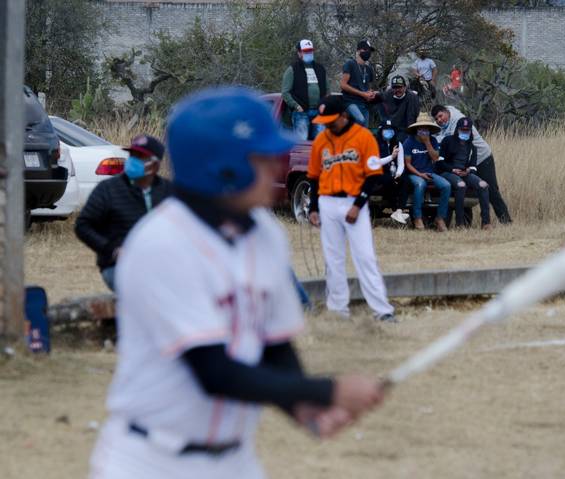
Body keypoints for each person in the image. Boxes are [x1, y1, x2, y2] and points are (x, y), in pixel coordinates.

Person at [88, 87, 385, 479]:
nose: (278, 167)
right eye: (262, 158)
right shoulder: (160, 244)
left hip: (236, 460)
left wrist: (301, 408)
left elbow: (275, 345)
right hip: (151, 460)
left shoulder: (265, 232)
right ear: (224, 169)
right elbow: (214, 372)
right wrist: (325, 392)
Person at [307, 95, 396, 322]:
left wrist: (358, 205)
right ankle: (338, 310)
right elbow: (315, 177)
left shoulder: (364, 137)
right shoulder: (321, 140)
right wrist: (314, 208)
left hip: (354, 200)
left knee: (365, 257)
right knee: (333, 258)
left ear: (344, 116)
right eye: (324, 120)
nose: (327, 124)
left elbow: (373, 177)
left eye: (331, 120)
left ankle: (382, 310)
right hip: (327, 202)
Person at [75, 135, 172, 291]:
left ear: (154, 165)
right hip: (118, 267)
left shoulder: (169, 192)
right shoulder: (108, 190)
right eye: (132, 155)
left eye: (139, 157)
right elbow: (83, 225)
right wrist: (112, 250)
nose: (132, 160)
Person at [431, 104, 512, 224]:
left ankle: (506, 221)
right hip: (462, 162)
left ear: (446, 112)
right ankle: (465, 223)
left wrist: (430, 140)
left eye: (440, 116)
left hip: (482, 158)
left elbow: (448, 140)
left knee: (491, 190)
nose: (439, 120)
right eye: (436, 119)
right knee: (464, 189)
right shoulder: (446, 122)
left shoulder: (459, 121)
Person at [438, 117, 491, 230]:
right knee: (461, 185)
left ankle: (486, 222)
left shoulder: (472, 147)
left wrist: (468, 171)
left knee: (483, 185)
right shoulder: (448, 141)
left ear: (470, 131)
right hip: (448, 172)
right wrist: (452, 169)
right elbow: (440, 163)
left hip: (464, 173)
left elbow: (473, 166)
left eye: (467, 130)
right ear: (457, 129)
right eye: (462, 129)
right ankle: (459, 223)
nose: (464, 132)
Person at [403, 113, 451, 232]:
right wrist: (420, 175)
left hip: (430, 172)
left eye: (426, 128)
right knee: (420, 185)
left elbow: (435, 158)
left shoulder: (433, 140)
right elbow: (407, 164)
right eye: (421, 128)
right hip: (414, 173)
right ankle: (417, 217)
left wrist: (427, 142)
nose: (423, 130)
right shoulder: (409, 142)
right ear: (417, 129)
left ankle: (440, 218)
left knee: (446, 185)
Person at [281, 39, 328, 140]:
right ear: (299, 53)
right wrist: (297, 106)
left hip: (319, 112)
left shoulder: (320, 69)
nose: (309, 53)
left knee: (320, 142)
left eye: (310, 51)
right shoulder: (292, 69)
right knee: (302, 143)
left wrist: (324, 104)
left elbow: (327, 90)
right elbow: (285, 92)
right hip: (301, 113)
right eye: (305, 51)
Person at [375, 120, 409, 225]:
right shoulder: (374, 143)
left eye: (391, 130)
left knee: (404, 180)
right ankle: (395, 209)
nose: (389, 132)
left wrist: (398, 174)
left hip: (394, 172)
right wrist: (391, 157)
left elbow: (401, 163)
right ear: (381, 131)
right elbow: (375, 162)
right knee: (389, 180)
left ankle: (399, 211)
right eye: (386, 130)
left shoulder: (398, 144)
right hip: (379, 172)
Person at [340, 40, 378, 127]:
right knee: (360, 120)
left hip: (363, 104)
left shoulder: (368, 69)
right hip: (350, 101)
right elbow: (343, 85)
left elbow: (368, 87)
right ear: (358, 51)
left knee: (365, 129)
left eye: (369, 51)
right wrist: (362, 94)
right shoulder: (350, 64)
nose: (368, 52)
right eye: (366, 50)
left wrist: (370, 93)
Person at [379, 75, 419, 142]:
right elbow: (382, 112)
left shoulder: (412, 97)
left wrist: (411, 133)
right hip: (391, 127)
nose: (397, 90)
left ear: (405, 87)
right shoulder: (387, 95)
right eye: (395, 87)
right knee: (382, 138)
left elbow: (412, 117)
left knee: (402, 139)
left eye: (400, 87)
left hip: (405, 128)